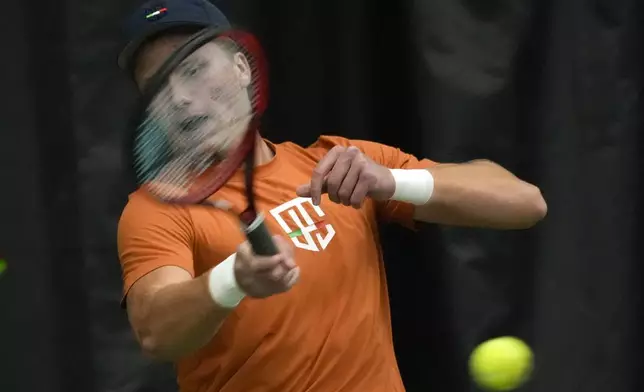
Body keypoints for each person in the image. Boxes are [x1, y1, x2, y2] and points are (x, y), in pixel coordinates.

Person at [116, 1, 548, 391]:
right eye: (158, 86)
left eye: (193, 69)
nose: (181, 100)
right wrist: (234, 280)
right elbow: (156, 329)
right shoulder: (155, 211)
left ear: (242, 69)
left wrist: (392, 182)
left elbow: (524, 202)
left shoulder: (336, 162)